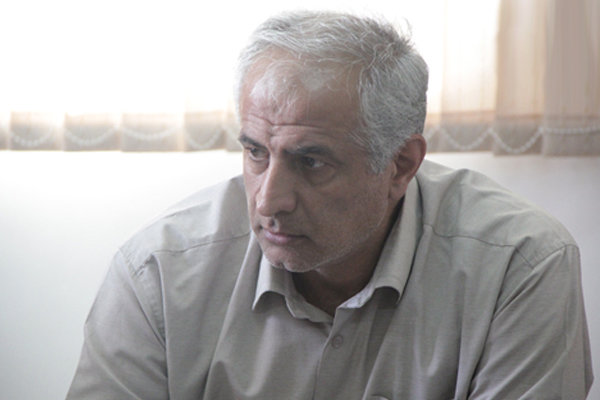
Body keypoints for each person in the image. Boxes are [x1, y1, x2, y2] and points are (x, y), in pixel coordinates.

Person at [67, 10, 593, 399]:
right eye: (255, 152)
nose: (269, 200)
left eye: (311, 161)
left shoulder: (519, 266)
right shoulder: (158, 272)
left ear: (400, 165)